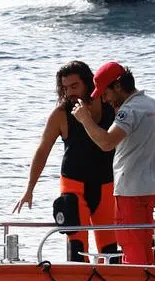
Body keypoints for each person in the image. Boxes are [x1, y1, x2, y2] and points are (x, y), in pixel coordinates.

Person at [13, 61, 117, 262]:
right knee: (77, 250)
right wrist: (29, 188)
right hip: (73, 187)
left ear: (89, 83)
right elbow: (42, 150)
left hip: (106, 186)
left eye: (74, 86)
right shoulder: (61, 114)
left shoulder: (109, 106)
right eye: (65, 88)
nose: (69, 92)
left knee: (110, 249)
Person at [73, 62, 155, 265]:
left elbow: (106, 143)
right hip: (150, 186)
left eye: (105, 93)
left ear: (117, 86)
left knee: (130, 244)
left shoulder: (130, 111)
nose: (104, 100)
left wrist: (85, 120)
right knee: (142, 243)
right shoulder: (153, 105)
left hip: (130, 190)